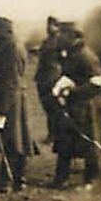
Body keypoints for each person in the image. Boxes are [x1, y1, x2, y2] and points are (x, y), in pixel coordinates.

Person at [48, 23, 101, 188]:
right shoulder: (71, 54)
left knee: (89, 144)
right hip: (73, 106)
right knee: (65, 141)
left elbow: (98, 84)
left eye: (63, 35)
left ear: (74, 36)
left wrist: (73, 92)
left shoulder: (86, 56)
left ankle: (90, 180)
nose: (59, 38)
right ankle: (61, 178)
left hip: (88, 107)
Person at [0, 15, 32, 192]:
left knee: (11, 141)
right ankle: (18, 179)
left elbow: (10, 80)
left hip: (9, 99)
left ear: (3, 30)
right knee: (15, 140)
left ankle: (8, 181)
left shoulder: (11, 47)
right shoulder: (9, 45)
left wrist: (2, 109)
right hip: (11, 97)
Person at [35, 16, 64, 144]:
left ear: (57, 27)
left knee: (55, 108)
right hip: (43, 78)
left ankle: (56, 135)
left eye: (52, 25)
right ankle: (52, 134)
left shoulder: (61, 42)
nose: (49, 28)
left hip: (53, 78)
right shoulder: (46, 41)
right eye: (48, 25)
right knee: (48, 107)